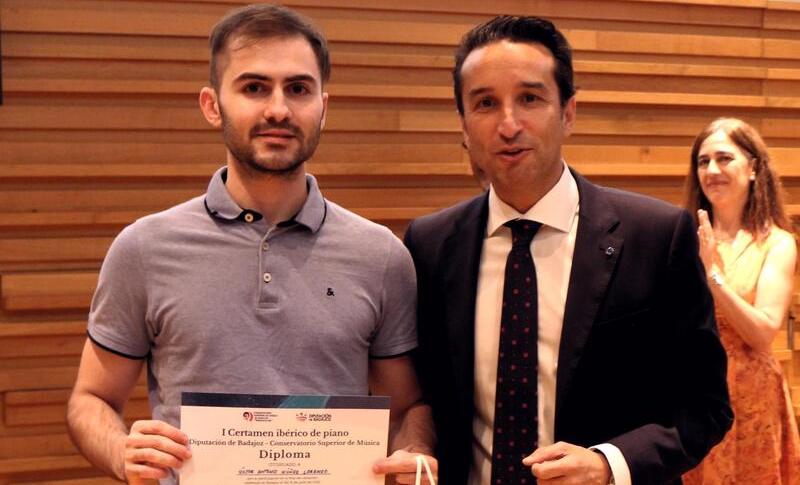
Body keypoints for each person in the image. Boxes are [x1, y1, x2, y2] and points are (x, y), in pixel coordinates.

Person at [65, 4, 435, 484]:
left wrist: (416, 454)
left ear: (324, 106)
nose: (278, 109)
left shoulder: (381, 256)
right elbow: (90, 398)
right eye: (254, 87)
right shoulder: (144, 248)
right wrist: (120, 451)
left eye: (298, 89)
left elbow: (407, 407)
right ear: (212, 104)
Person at [403, 15, 733, 485]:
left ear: (569, 112)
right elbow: (425, 397)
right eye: (485, 103)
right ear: (463, 125)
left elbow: (705, 407)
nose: (509, 123)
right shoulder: (431, 244)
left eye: (530, 99)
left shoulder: (657, 237)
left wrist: (608, 464)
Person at [682, 117, 800, 484]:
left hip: (752, 399)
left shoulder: (777, 242)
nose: (712, 170)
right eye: (703, 162)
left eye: (724, 158)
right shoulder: (680, 233)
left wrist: (712, 275)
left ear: (752, 168)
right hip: (695, 389)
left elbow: (764, 333)